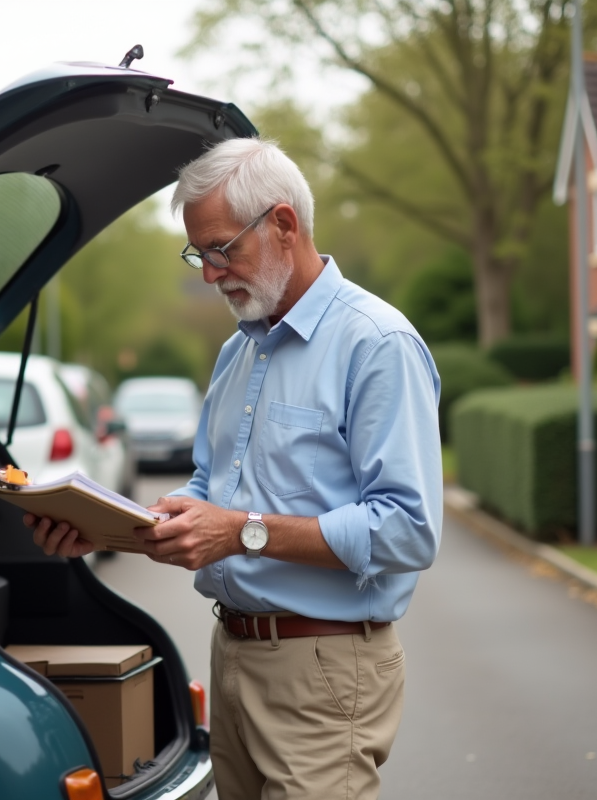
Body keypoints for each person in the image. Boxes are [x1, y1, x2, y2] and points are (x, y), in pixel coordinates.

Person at [26, 137, 442, 800]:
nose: (210, 274)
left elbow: (407, 530)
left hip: (326, 667)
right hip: (233, 658)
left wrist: (242, 531)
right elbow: (208, 493)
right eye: (199, 254)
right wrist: (116, 528)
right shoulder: (236, 352)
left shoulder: (377, 344)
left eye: (222, 249)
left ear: (284, 224)